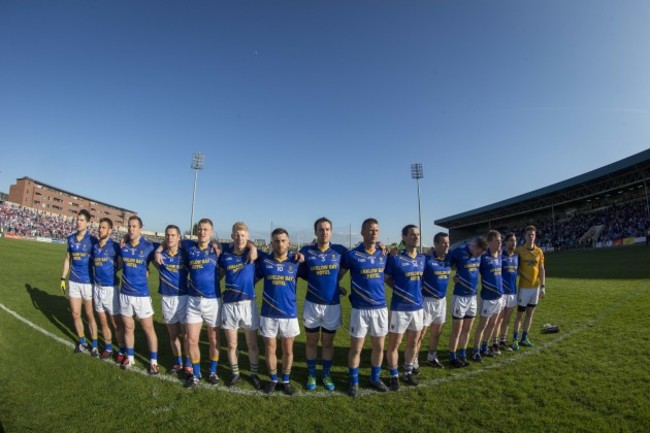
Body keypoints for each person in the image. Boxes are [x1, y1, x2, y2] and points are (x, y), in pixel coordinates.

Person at [298, 217, 348, 392]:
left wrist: (336, 284)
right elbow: (303, 273)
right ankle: (312, 373)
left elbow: (357, 257)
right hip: (312, 304)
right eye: (321, 229)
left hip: (332, 305)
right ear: (315, 232)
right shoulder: (307, 251)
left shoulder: (340, 251)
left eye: (327, 229)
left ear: (331, 231)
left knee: (327, 343)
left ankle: (326, 374)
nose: (324, 232)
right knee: (311, 341)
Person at [345, 218, 389, 397]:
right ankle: (353, 382)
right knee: (356, 348)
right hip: (360, 309)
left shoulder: (384, 253)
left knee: (378, 347)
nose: (374, 233)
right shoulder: (352, 255)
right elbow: (337, 275)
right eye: (370, 230)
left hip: (380, 308)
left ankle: (375, 378)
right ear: (362, 232)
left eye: (376, 230)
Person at [255, 228, 301, 395]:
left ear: (288, 242)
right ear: (271, 242)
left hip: (289, 313)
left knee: (288, 349)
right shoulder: (265, 262)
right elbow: (252, 279)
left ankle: (286, 380)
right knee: (270, 348)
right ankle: (274, 379)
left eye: (283, 240)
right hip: (268, 313)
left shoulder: (296, 262)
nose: (280, 243)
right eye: (276, 240)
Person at [218, 222, 262, 389]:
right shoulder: (225, 254)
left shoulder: (254, 254)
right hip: (229, 305)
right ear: (232, 236)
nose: (240, 238)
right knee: (232, 344)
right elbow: (219, 276)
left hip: (248, 305)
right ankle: (235, 373)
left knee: (252, 344)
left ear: (248, 237)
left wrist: (253, 247)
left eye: (243, 235)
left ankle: (254, 374)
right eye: (237, 235)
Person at [180, 218, 223, 387]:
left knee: (214, 339)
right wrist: (160, 249)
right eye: (200, 229)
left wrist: (216, 242)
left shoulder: (219, 249)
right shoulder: (189, 246)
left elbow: (243, 243)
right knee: (191, 340)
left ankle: (213, 372)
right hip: (193, 300)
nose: (202, 232)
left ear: (211, 231)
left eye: (206, 230)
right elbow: (171, 238)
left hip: (213, 300)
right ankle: (196, 374)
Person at [384, 224, 425, 391]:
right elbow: (386, 279)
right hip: (399, 308)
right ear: (404, 237)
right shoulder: (395, 258)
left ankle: (408, 372)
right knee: (395, 344)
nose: (416, 237)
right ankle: (394, 375)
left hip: (418, 307)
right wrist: (398, 289)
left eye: (417, 234)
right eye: (412, 234)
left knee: (413, 342)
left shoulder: (423, 259)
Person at [119, 216, 159, 374]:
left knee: (148, 329)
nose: (131, 229)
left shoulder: (149, 246)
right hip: (125, 294)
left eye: (134, 226)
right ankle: (130, 357)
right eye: (129, 226)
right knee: (128, 328)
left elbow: (165, 247)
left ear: (140, 228)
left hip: (142, 295)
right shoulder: (123, 245)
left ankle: (153, 362)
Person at [61, 209, 99, 355]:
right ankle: (82, 342)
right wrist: (63, 278)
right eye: (77, 219)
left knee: (89, 314)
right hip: (74, 282)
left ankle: (94, 345)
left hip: (88, 282)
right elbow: (67, 260)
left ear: (88, 223)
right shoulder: (70, 239)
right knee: (76, 314)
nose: (78, 222)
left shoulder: (93, 240)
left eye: (82, 220)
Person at [154, 225, 191, 375]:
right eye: (167, 235)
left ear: (178, 238)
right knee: (173, 334)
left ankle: (188, 364)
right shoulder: (158, 254)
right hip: (166, 298)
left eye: (173, 235)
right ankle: (178, 362)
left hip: (183, 298)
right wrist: (157, 251)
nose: (170, 237)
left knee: (186, 334)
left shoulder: (186, 254)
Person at [448, 236, 488, 368]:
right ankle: (452, 356)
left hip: (472, 297)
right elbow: (445, 265)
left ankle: (462, 354)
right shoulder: (458, 251)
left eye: (481, 254)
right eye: (478, 253)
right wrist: (454, 277)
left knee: (467, 329)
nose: (479, 256)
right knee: (457, 330)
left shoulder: (479, 254)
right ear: (474, 246)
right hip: (460, 297)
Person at [416, 232, 452, 370]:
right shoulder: (425, 259)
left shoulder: (449, 259)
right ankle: (414, 360)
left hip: (441, 301)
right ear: (435, 244)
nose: (446, 244)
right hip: (427, 300)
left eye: (448, 242)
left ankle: (431, 357)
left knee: (437, 331)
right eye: (443, 242)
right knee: (421, 333)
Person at [91, 217, 124, 360]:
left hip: (111, 289)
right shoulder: (95, 247)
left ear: (110, 230)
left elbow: (122, 262)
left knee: (115, 322)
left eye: (103, 227)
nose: (100, 229)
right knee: (103, 321)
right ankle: (109, 347)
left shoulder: (115, 246)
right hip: (97, 288)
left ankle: (122, 350)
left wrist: (115, 269)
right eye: (100, 227)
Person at [512, 225, 546, 349]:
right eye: (528, 234)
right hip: (524, 288)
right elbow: (513, 264)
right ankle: (515, 339)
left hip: (536, 288)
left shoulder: (539, 251)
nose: (531, 237)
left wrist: (543, 286)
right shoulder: (519, 251)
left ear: (535, 236)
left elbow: (542, 269)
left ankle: (524, 338)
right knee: (520, 315)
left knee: (530, 314)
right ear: (525, 236)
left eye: (533, 234)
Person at [471, 230, 503, 362]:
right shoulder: (483, 257)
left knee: (493, 323)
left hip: (499, 297)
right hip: (487, 297)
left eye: (500, 240)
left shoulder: (500, 256)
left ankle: (485, 347)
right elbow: (471, 270)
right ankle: (476, 351)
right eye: (497, 241)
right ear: (489, 242)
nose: (500, 243)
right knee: (482, 325)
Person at [495, 232, 519, 352]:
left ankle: (502, 340)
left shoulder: (516, 257)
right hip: (502, 293)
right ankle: (495, 342)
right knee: (499, 318)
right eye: (511, 241)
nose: (513, 243)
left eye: (515, 241)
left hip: (513, 292)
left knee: (507, 319)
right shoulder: (500, 256)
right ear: (506, 243)